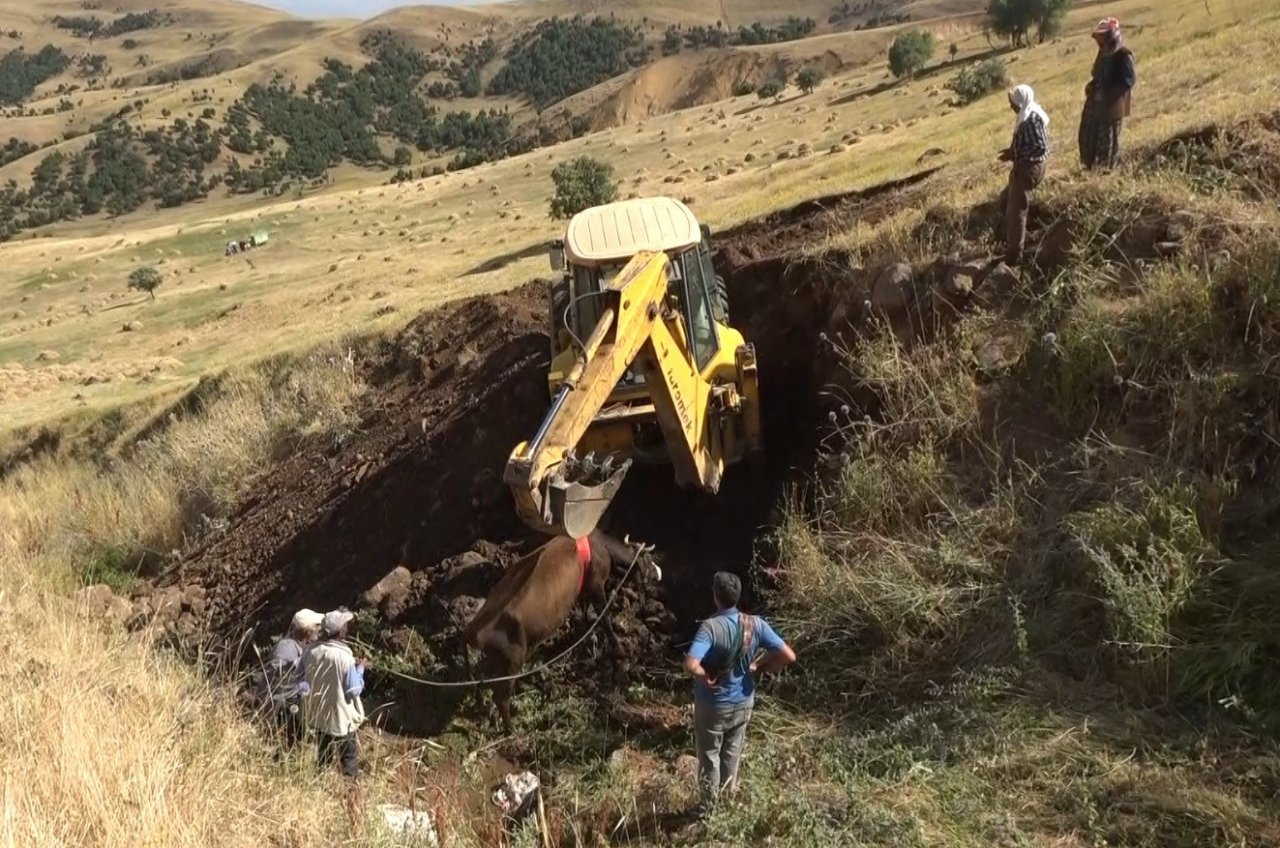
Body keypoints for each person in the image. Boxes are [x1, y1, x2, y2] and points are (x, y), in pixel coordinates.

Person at [682, 572, 795, 807]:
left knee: (709, 758)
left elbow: (691, 664)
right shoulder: (756, 624)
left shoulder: (710, 628)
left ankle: (707, 810)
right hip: (743, 702)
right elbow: (788, 655)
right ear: (737, 596)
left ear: (715, 596)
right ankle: (728, 806)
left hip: (713, 706)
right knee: (731, 756)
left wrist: (705, 676)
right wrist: (759, 666)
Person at [302, 608, 368, 779]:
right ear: (340, 631)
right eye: (345, 625)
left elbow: (301, 681)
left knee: (323, 756)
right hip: (341, 719)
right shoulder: (345, 656)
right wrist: (360, 669)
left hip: (319, 715)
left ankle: (318, 786)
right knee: (348, 759)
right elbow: (353, 691)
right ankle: (350, 795)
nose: (347, 628)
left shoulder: (310, 651)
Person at [256, 608, 323, 751]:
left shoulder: (300, 647)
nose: (320, 629)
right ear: (308, 632)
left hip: (288, 704)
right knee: (282, 743)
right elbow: (277, 680)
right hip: (279, 707)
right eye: (317, 626)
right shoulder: (286, 648)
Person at [998, 84, 1051, 266]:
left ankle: (1014, 256)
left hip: (1030, 167)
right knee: (1005, 201)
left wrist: (1019, 155)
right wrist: (1012, 152)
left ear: (1021, 102)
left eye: (1012, 102)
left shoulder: (1032, 119)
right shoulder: (1026, 116)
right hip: (1025, 165)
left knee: (1016, 211)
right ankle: (1019, 238)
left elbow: (1040, 145)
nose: (1011, 106)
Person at [1078, 17, 1136, 170]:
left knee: (1107, 141)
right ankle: (1089, 167)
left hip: (1112, 106)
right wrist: (1092, 87)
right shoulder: (1102, 54)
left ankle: (1105, 171)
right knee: (1088, 136)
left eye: (1103, 39)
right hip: (1095, 103)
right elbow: (1097, 74)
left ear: (1112, 37)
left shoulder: (1124, 55)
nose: (1100, 43)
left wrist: (1107, 93)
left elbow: (1128, 81)